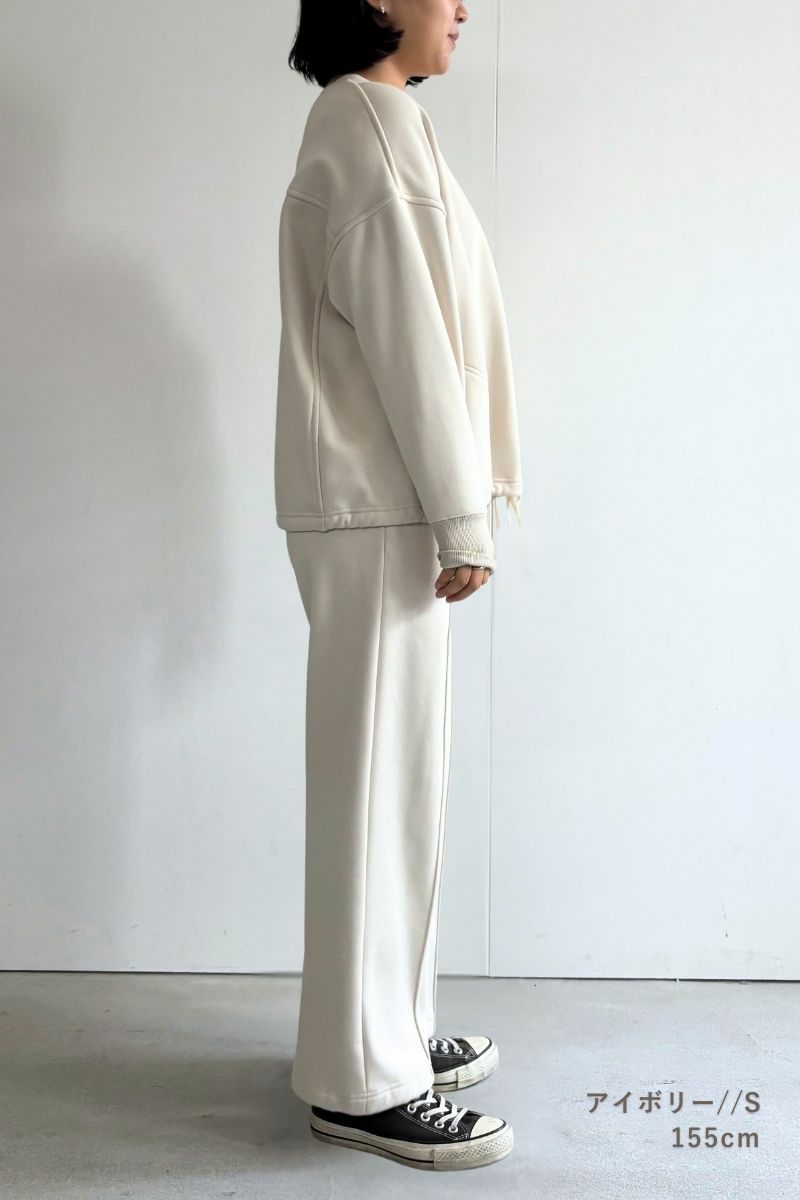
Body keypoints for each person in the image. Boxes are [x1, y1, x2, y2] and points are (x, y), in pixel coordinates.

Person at [273, 0, 523, 1172]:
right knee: (379, 792)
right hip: (382, 504)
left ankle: (387, 1035)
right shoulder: (363, 124)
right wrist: (458, 511)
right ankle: (359, 1086)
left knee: (394, 788)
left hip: (379, 502)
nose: (462, 7)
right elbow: (410, 339)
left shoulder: (376, 119)